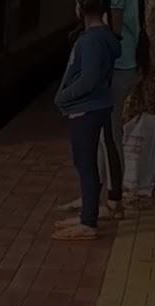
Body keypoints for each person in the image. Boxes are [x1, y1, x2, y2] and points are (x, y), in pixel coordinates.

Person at [59, 0, 148, 217]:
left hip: (119, 67)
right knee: (101, 137)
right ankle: (93, 196)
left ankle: (113, 199)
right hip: (122, 64)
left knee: (110, 134)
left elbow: (114, 32)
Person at [54, 0, 121, 240]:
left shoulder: (91, 40)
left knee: (85, 165)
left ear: (81, 9)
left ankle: (88, 223)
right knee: (87, 165)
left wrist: (62, 97)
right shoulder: (103, 37)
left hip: (86, 110)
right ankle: (87, 214)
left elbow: (88, 79)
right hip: (96, 107)